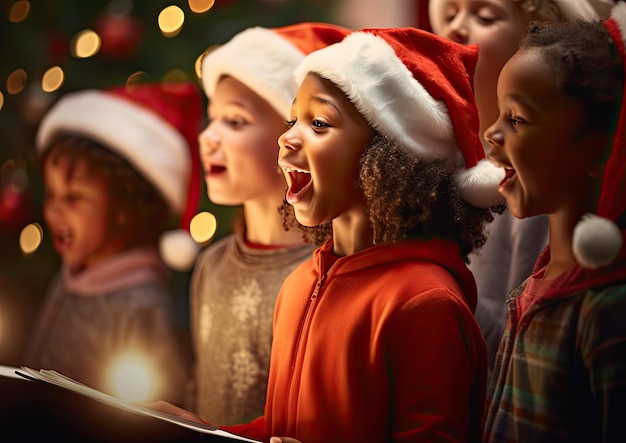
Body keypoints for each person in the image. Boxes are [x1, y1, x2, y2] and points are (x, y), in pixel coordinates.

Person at [194, 25, 512, 442]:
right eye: (293, 119)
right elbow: (281, 429)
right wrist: (195, 429)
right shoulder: (297, 285)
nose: (288, 137)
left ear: (388, 157)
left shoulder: (425, 302)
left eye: (320, 123)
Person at [427, 0, 610, 367]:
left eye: (485, 16)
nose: (456, 29)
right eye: (449, 15)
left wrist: (431, 280)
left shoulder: (535, 188)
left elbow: (516, 343)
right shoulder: (444, 165)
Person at [186, 22, 352, 426]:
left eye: (235, 121)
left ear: (291, 135)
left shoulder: (325, 276)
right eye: (212, 119)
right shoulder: (211, 266)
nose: (209, 136)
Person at [482, 5, 626, 440]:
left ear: (601, 150)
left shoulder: (608, 308)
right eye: (499, 113)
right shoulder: (535, 285)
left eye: (518, 119)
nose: (492, 133)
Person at [24, 81, 203, 405]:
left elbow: (161, 410)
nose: (54, 210)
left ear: (124, 210)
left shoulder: (140, 306)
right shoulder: (69, 276)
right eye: (51, 195)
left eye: (74, 197)